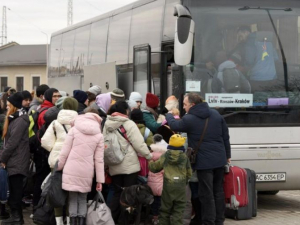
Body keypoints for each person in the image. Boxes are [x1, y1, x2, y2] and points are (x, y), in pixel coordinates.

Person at [165, 93, 231, 225]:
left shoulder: (190, 118)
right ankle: (219, 220)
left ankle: (208, 221)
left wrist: (169, 115)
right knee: (218, 191)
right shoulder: (216, 114)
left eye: (185, 104)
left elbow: (175, 126)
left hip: (204, 162)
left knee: (206, 194)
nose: (184, 107)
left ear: (192, 105)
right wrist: (228, 155)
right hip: (219, 160)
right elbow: (225, 136)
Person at [103, 100, 152, 224]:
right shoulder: (128, 123)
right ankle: (126, 220)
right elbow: (139, 143)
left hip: (113, 164)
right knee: (129, 194)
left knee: (116, 193)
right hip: (129, 165)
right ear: (125, 111)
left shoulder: (106, 124)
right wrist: (148, 156)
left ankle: (111, 219)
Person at [57, 110, 105, 225]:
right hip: (87, 171)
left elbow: (64, 152)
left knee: (72, 199)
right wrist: (100, 180)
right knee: (83, 199)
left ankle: (73, 222)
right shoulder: (99, 136)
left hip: (71, 168)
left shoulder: (73, 130)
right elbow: (99, 160)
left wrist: (59, 167)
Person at [41, 97, 78, 225]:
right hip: (74, 160)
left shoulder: (56, 122)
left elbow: (45, 141)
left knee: (57, 190)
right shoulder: (80, 122)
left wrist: (54, 149)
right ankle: (69, 220)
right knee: (70, 193)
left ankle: (58, 222)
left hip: (57, 160)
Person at [0, 92, 30, 225]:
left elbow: (12, 143)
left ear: (14, 106)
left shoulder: (20, 120)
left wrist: (3, 158)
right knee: (13, 189)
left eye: (8, 105)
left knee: (16, 191)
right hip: (14, 160)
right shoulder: (15, 118)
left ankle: (17, 219)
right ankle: (15, 217)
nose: (6, 107)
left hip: (17, 161)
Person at [149, 134, 192, 225]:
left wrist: (150, 162)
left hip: (168, 186)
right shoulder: (184, 157)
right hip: (181, 186)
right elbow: (189, 173)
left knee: (165, 210)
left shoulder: (166, 156)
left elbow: (155, 168)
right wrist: (184, 181)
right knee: (179, 210)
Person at [147, 134, 168, 225]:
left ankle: (152, 216)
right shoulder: (163, 159)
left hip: (150, 185)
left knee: (153, 201)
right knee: (159, 202)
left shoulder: (150, 158)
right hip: (160, 186)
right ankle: (158, 218)